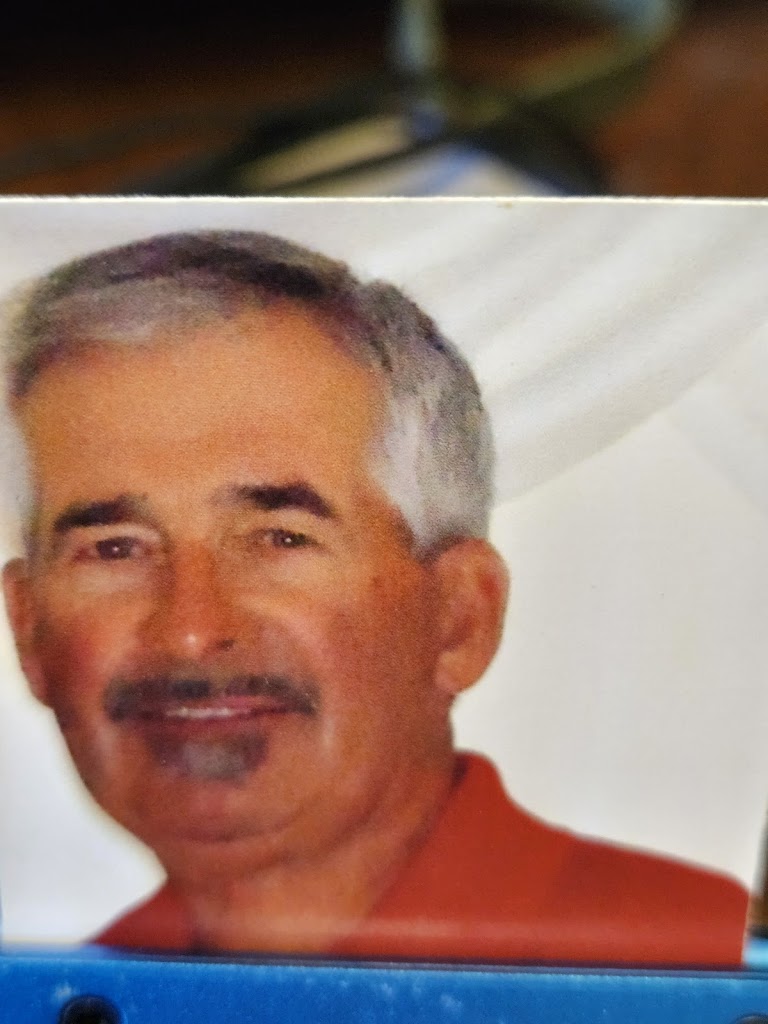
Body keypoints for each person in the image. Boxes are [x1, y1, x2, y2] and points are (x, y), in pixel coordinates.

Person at [0, 230, 748, 965]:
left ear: (459, 618)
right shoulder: (61, 1002)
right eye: (114, 549)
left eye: (280, 539)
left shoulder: (705, 969)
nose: (190, 631)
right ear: (28, 630)